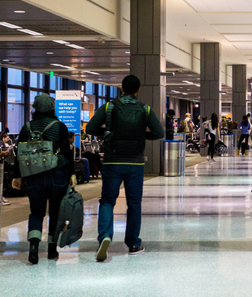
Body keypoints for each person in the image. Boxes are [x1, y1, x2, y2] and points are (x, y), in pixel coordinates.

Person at [86, 75, 164, 262]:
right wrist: (140, 136)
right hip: (135, 162)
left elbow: (90, 128)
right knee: (134, 203)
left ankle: (105, 236)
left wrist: (107, 134)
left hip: (113, 160)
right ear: (138, 90)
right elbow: (159, 133)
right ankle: (134, 243)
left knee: (107, 200)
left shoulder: (109, 107)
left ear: (121, 88)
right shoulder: (145, 109)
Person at [11, 94, 76, 264]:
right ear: (53, 108)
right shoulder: (59, 126)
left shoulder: (27, 128)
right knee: (55, 212)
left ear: (35, 109)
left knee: (36, 212)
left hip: (34, 175)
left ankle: (33, 246)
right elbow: (67, 152)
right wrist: (73, 173)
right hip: (57, 173)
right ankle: (52, 249)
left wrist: (17, 175)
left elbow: (20, 154)